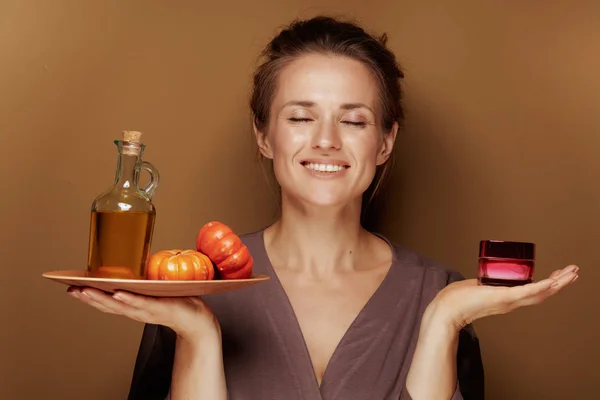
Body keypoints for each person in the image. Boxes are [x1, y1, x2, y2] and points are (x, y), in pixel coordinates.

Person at [67, 16, 579, 400]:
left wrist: (443, 320)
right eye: (300, 117)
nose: (328, 141)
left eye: (354, 121)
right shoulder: (195, 288)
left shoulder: (441, 294)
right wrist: (200, 333)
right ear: (264, 136)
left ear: (384, 142)